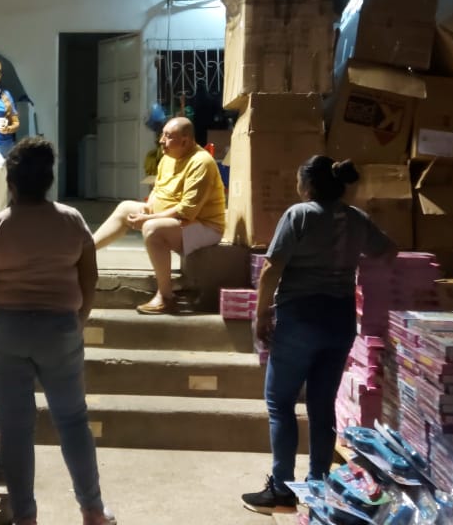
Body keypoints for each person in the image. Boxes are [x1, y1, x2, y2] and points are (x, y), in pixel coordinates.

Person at [0, 138, 115, 525]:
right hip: (59, 329)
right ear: (49, 180)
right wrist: (79, 319)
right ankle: (92, 510)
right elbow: (89, 278)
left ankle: (25, 517)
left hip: (6, 332)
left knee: (15, 427)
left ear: (11, 182)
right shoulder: (72, 221)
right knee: (72, 420)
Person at [241, 156, 395, 514]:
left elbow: (272, 267)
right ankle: (319, 488)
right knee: (322, 406)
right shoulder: (356, 219)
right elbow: (388, 252)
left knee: (280, 403)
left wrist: (261, 314)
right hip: (340, 321)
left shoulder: (300, 214)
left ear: (308, 185)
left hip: (300, 317)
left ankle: (281, 490)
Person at [90, 117, 225, 315]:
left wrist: (148, 219)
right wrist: (149, 207)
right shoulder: (167, 157)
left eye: (168, 136)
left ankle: (165, 296)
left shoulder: (201, 162)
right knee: (125, 208)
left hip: (205, 226)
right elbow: (158, 188)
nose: (161, 140)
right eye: (162, 135)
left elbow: (186, 212)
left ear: (185, 141)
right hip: (173, 218)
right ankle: (85, 250)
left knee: (153, 229)